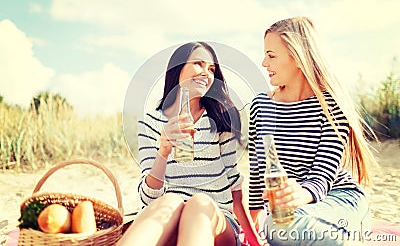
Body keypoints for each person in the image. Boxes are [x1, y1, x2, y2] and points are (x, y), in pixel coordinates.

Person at [248, 17, 378, 246]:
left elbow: (322, 174)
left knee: (280, 227)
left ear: (297, 57)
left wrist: (300, 194)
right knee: (279, 225)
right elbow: (258, 169)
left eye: (271, 55)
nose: (263, 63)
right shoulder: (260, 105)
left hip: (339, 202)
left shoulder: (331, 105)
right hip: (295, 214)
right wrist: (255, 213)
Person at [118, 42, 261, 246]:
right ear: (177, 69)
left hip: (216, 220)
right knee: (170, 201)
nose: (206, 73)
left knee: (198, 202)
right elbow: (149, 199)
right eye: (198, 64)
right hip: (167, 219)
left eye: (211, 69)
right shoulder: (150, 123)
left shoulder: (221, 121)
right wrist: (164, 152)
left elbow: (235, 188)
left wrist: (255, 241)